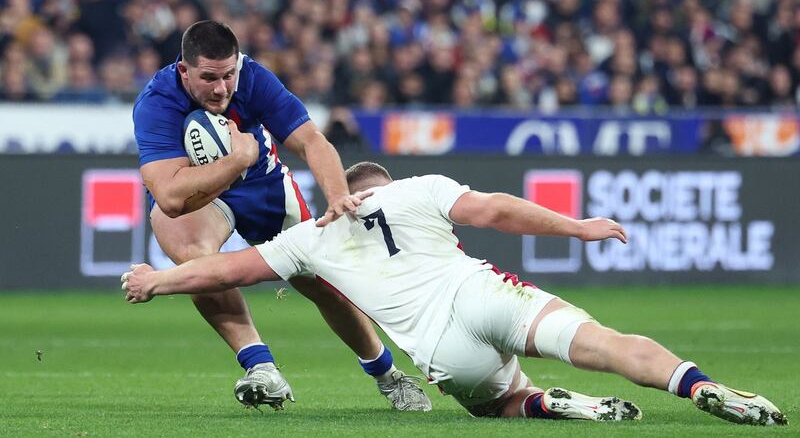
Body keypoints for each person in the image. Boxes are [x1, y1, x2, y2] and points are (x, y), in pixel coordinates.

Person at [122, 162, 787, 425]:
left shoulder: (309, 238)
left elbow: (222, 272)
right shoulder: (420, 189)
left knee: (495, 403)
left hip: (441, 350)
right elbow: (496, 210)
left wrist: (157, 280)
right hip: (482, 294)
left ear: (345, 191)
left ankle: (547, 403)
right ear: (385, 184)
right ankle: (699, 386)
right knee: (608, 345)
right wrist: (578, 227)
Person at [132, 21, 431, 411]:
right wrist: (237, 159)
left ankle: (387, 374)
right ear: (184, 70)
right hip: (200, 192)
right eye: (208, 78)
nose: (221, 88)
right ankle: (261, 367)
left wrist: (337, 196)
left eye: (228, 75)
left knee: (318, 278)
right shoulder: (156, 102)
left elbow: (311, 141)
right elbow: (170, 197)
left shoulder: (254, 77)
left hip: (264, 185)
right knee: (193, 257)